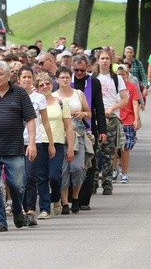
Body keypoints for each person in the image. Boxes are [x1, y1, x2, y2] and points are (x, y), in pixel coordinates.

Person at [0, 61, 37, 232]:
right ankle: (0, 221)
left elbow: (31, 119)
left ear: (8, 76)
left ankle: (18, 209)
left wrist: (32, 143)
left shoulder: (19, 93)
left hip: (15, 148)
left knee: (18, 185)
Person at [17, 66, 55, 222]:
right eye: (23, 77)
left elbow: (45, 122)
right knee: (19, 178)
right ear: (18, 79)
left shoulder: (39, 98)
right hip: (17, 142)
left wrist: (51, 143)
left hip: (34, 141)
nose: (26, 80)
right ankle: (20, 207)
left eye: (29, 77)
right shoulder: (14, 96)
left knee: (31, 177)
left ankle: (30, 210)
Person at [53, 66, 91, 214]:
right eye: (62, 77)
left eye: (67, 77)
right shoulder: (53, 96)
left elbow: (88, 112)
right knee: (63, 171)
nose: (65, 80)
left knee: (77, 168)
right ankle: (64, 202)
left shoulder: (78, 94)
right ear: (57, 79)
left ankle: (75, 196)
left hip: (77, 135)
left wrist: (82, 113)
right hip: (59, 136)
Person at [35, 73, 74, 217]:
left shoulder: (61, 102)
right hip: (40, 142)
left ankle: (56, 197)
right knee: (42, 176)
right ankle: (45, 208)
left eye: (47, 83)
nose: (45, 87)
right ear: (37, 88)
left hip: (57, 142)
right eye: (41, 85)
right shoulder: (34, 103)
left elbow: (68, 126)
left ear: (52, 84)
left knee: (55, 176)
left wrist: (70, 147)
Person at [71, 55, 107, 210]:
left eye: (82, 70)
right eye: (76, 70)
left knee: (89, 164)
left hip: (89, 129)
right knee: (72, 165)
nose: (79, 73)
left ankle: (84, 199)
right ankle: (70, 197)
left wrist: (103, 130)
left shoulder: (94, 82)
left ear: (88, 68)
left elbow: (99, 107)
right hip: (69, 129)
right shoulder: (66, 80)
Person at [96, 49, 128, 195]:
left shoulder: (116, 78)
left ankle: (107, 183)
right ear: (98, 60)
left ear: (111, 61)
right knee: (94, 152)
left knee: (108, 153)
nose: (104, 61)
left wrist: (112, 108)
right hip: (95, 118)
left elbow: (124, 99)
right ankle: (93, 182)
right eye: (102, 58)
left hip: (110, 118)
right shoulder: (92, 77)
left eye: (107, 59)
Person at [115, 64, 140, 184]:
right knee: (114, 148)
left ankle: (124, 173)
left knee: (125, 148)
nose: (120, 76)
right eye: (118, 75)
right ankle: (114, 170)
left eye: (123, 74)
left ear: (126, 75)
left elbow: (135, 103)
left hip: (128, 121)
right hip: (115, 119)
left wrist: (136, 118)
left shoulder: (131, 87)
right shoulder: (112, 87)